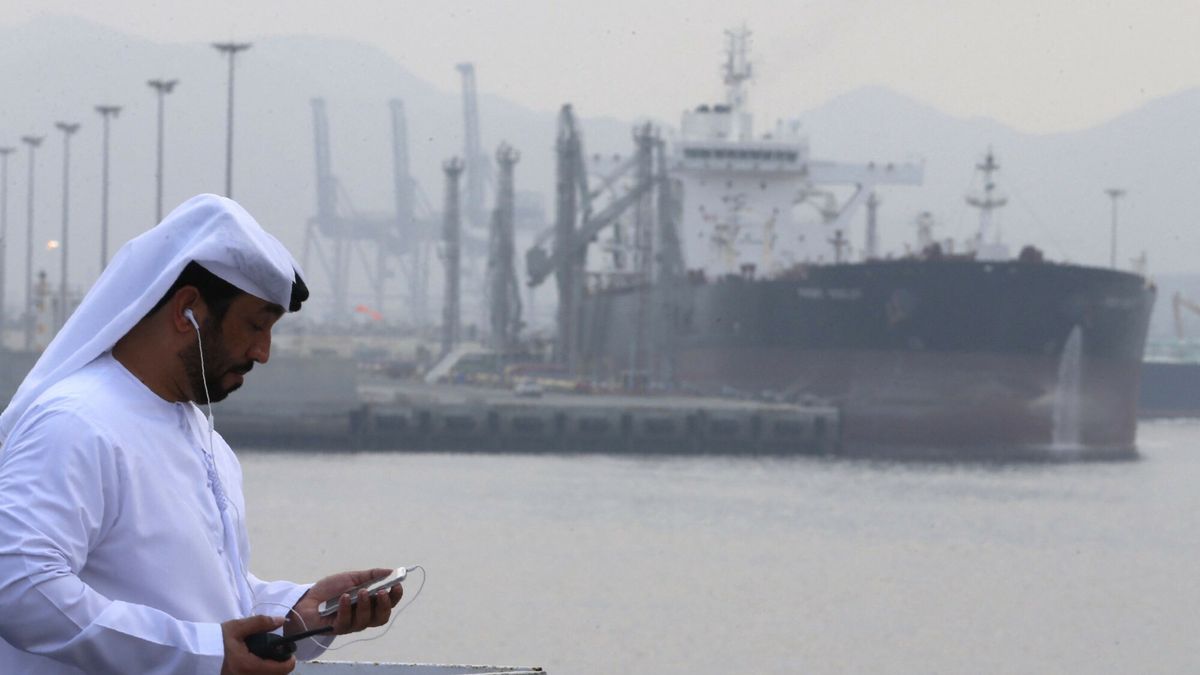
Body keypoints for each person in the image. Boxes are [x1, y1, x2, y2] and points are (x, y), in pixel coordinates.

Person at [0, 195, 402, 674]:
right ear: (187, 309)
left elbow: (205, 594)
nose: (263, 351)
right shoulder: (77, 423)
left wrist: (299, 612)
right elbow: (19, 584)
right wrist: (200, 652)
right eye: (255, 325)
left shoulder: (205, 439)